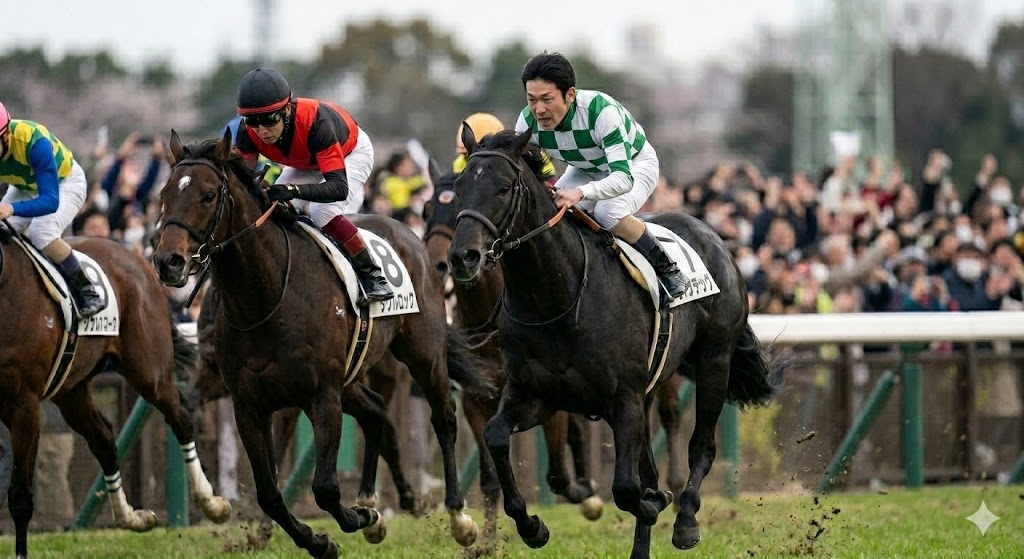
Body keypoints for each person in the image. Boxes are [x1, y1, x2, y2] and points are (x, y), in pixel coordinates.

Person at [514, 52, 688, 301]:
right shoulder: (526, 121)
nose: (539, 109)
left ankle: (667, 268)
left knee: (608, 212)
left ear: (570, 94)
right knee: (549, 210)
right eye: (531, 100)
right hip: (585, 168)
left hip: (633, 165)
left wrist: (580, 193)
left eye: (547, 99)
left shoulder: (601, 111)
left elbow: (622, 179)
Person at [233, 68, 392, 305]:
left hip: (350, 153)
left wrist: (294, 191)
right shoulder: (247, 133)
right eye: (252, 121)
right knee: (271, 207)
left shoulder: (317, 124)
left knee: (322, 211)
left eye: (269, 119)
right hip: (306, 161)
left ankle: (373, 276)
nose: (261, 130)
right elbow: (243, 183)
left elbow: (338, 188)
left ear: (287, 110)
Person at [0, 102, 106, 317]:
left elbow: (50, 201)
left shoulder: (34, 141)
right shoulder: (5, 141)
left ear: (6, 136)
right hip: (25, 186)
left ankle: (88, 292)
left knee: (41, 232)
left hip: (64, 184)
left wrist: (11, 208)